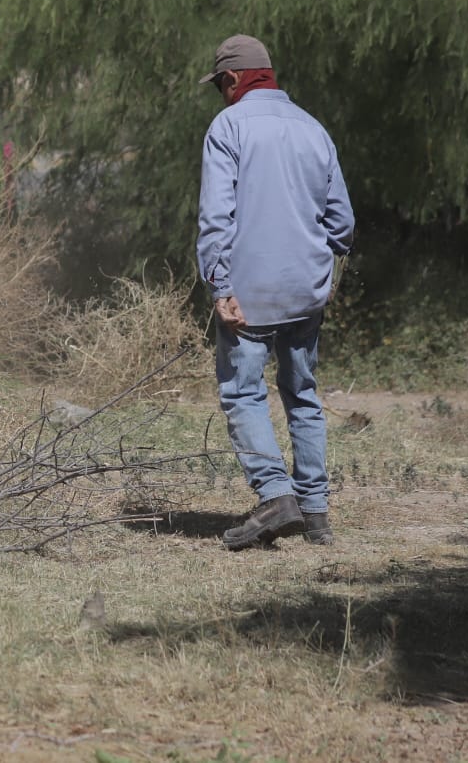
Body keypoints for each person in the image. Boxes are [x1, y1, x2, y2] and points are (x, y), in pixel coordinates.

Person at [196, 34, 355, 551]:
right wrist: (321, 269)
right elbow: (342, 224)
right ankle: (316, 512)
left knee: (243, 393)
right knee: (302, 394)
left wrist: (219, 284)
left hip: (248, 292)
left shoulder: (228, 126)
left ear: (234, 79)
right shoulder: (313, 128)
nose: (221, 94)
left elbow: (216, 216)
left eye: (220, 84)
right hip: (307, 290)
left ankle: (275, 496)